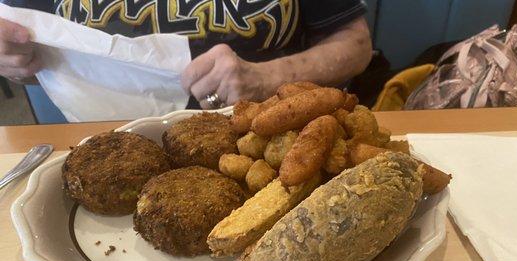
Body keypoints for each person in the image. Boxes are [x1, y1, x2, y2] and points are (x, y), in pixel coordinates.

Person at [0, 1, 371, 110]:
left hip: (268, 134)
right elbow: (34, 60)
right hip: (100, 144)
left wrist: (267, 78)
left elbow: (354, 44)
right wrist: (14, 61)